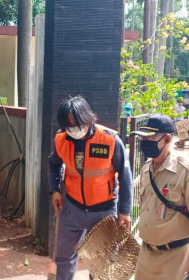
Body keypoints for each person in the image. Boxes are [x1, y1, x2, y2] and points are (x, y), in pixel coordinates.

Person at [49, 96, 133, 280]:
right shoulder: (61, 139)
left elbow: (126, 177)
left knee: (101, 262)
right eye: (69, 126)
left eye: (77, 124)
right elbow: (54, 164)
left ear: (88, 118)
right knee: (64, 257)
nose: (74, 130)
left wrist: (124, 211)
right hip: (72, 208)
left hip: (104, 211)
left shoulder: (110, 140)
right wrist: (54, 190)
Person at [130, 113, 189, 280]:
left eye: (149, 138)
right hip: (146, 255)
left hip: (175, 257)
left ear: (166, 139)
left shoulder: (187, 172)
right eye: (142, 139)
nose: (144, 143)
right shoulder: (146, 169)